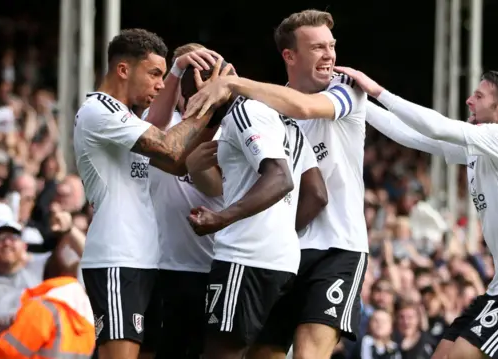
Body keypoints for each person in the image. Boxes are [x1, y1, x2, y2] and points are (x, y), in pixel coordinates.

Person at [333, 65, 498, 359]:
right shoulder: (486, 145)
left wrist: (376, 90)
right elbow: (413, 136)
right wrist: (356, 103)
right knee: (442, 354)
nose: (470, 101)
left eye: (479, 96)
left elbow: (436, 126)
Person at [185, 10, 369, 359]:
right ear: (290, 56)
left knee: (308, 354)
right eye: (317, 47)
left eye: (331, 45)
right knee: (264, 353)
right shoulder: (265, 109)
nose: (329, 54)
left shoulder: (345, 90)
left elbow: (303, 107)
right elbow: (227, 186)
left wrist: (233, 83)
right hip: (286, 253)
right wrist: (195, 170)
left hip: (338, 247)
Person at [73, 29, 220, 359]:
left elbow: (175, 161)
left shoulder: (126, 117)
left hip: (143, 260)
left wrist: (180, 69)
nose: (160, 84)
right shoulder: (100, 110)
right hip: (116, 258)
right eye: (155, 74)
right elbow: (169, 147)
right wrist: (213, 98)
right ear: (124, 69)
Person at [187, 52, 327, 359]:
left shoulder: (245, 110)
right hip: (284, 262)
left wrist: (222, 219)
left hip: (244, 257)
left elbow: (280, 177)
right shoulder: (287, 120)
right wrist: (276, 230)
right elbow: (317, 194)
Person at [142, 42, 227, 359]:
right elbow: (154, 136)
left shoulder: (224, 128)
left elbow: (215, 188)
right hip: (162, 265)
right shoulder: (160, 124)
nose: (200, 81)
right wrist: (177, 67)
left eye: (206, 72)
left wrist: (206, 117)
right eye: (193, 72)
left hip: (211, 265)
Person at [0, 240, 95, 358]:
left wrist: (5, 332)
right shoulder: (88, 313)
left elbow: (9, 352)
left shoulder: (43, 307)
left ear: (47, 271)